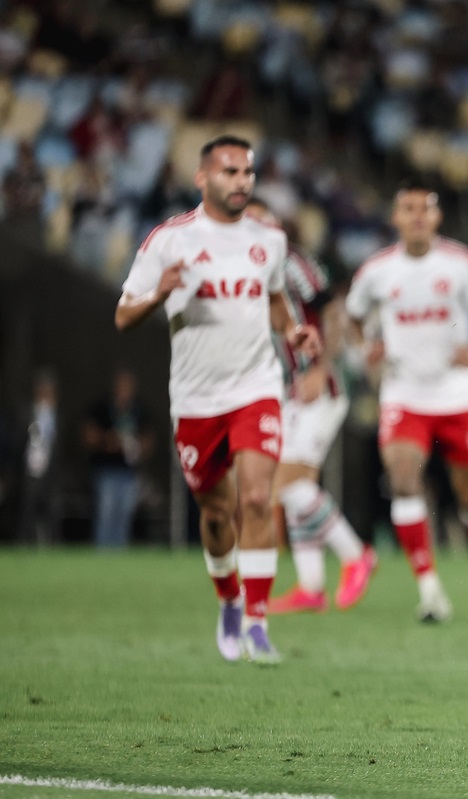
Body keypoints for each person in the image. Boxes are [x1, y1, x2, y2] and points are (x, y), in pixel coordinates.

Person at [114, 134, 321, 663]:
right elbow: (123, 316)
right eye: (229, 172)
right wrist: (161, 292)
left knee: (256, 498)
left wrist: (293, 332)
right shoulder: (169, 240)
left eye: (247, 172)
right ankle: (228, 599)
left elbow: (274, 298)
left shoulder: (267, 239)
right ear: (202, 178)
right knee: (215, 513)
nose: (241, 182)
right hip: (196, 399)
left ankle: (256, 622)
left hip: (255, 388)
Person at [345, 180, 468, 623]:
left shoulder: (460, 265)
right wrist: (367, 351)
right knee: (402, 480)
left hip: (456, 395)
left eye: (425, 209)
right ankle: (430, 589)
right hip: (404, 393)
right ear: (395, 218)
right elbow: (353, 319)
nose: (417, 216)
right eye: (408, 208)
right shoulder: (377, 271)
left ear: (437, 217)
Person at [241, 198, 378, 614]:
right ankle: (311, 586)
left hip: (321, 387)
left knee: (288, 483)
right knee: (296, 488)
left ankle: (356, 555)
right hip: (288, 391)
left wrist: (321, 366)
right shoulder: (247, 272)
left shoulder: (293, 264)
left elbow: (333, 311)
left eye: (261, 220)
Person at [82, 368, 153, 549]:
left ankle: (119, 559)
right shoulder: (102, 407)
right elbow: (88, 434)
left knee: (124, 518)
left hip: (129, 473)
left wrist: (135, 445)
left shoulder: (139, 410)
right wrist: (108, 439)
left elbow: (149, 440)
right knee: (106, 516)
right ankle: (102, 555)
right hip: (106, 470)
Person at [18, 368, 61, 546]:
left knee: (52, 511)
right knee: (27, 510)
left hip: (50, 472)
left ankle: (52, 547)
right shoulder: (26, 412)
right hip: (30, 470)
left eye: (49, 389)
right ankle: (22, 545)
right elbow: (19, 440)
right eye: (43, 388)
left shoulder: (56, 414)